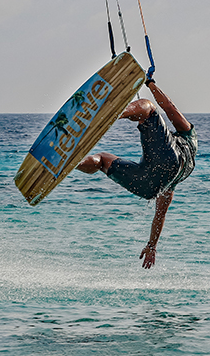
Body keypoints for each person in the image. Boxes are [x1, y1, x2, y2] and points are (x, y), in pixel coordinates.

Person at [77, 79, 197, 268]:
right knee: (103, 161)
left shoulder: (189, 135)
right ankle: (76, 162)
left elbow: (168, 107)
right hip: (150, 188)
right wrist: (152, 245)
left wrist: (151, 84)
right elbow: (160, 215)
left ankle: (113, 114)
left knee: (148, 108)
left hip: (170, 158)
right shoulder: (173, 181)